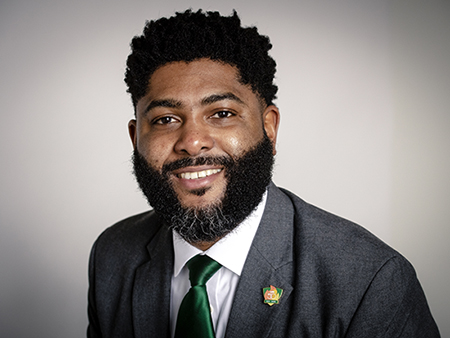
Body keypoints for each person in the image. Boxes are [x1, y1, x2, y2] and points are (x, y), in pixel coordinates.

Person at [87, 9, 440, 338]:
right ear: (136, 138)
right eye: (165, 119)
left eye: (222, 113)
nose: (192, 142)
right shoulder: (113, 254)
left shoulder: (370, 281)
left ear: (269, 128)